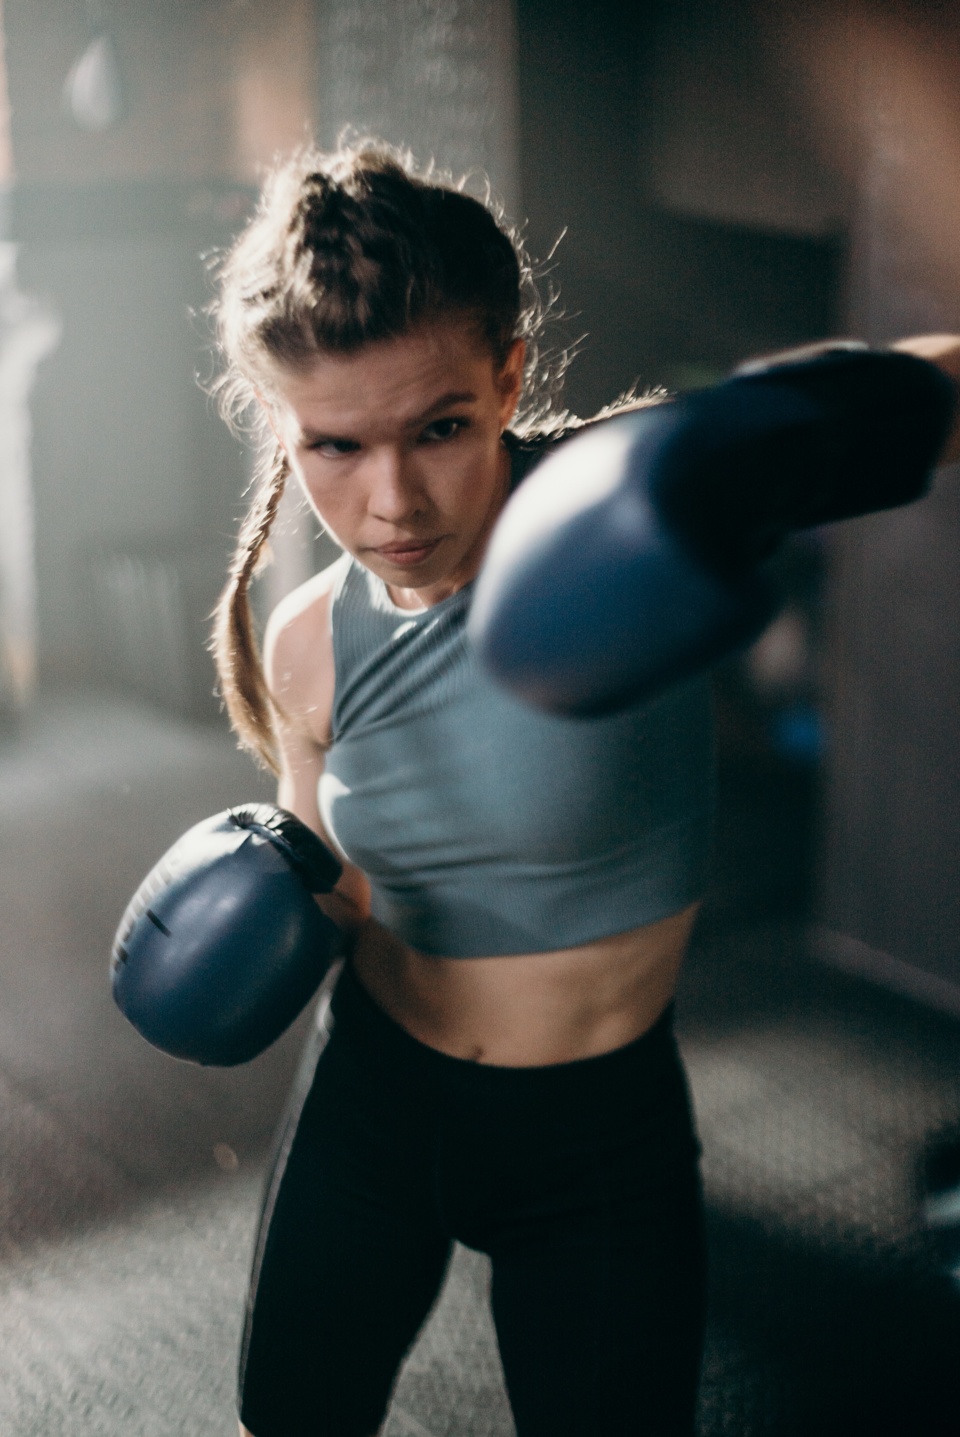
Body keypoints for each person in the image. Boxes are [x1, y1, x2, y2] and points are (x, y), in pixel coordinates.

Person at [208, 140, 960, 1437]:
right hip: (371, 1101)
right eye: (335, 445)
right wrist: (264, 897)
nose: (392, 501)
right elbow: (339, 873)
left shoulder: (640, 503)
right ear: (285, 425)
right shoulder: (308, 640)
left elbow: (920, 394)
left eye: (439, 426)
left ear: (507, 373)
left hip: (595, 1140)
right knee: (290, 1416)